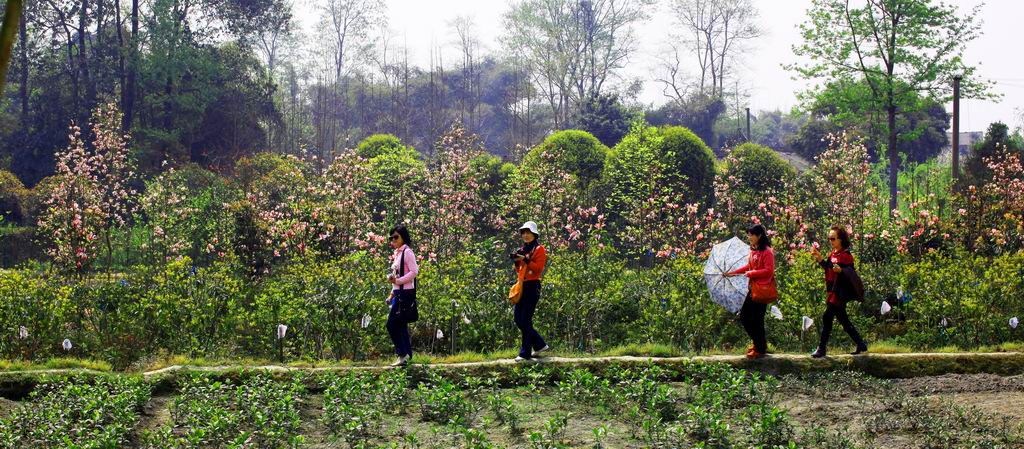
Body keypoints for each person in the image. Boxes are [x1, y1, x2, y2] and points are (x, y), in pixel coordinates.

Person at [810, 225, 868, 358]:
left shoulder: (846, 255)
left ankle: (821, 348)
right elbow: (829, 268)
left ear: (841, 239)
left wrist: (841, 271)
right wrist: (820, 259)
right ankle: (860, 343)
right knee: (843, 320)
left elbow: (850, 273)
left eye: (833, 238)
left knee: (827, 317)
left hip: (839, 292)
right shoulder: (833, 254)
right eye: (829, 238)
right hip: (832, 290)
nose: (831, 241)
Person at [725, 224, 776, 359]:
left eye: (751, 235)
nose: (749, 237)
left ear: (759, 236)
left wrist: (752, 273)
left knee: (756, 319)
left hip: (762, 290)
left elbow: (769, 271)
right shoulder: (754, 251)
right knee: (746, 317)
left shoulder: (767, 252)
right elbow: (749, 266)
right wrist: (733, 273)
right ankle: (759, 344)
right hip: (753, 289)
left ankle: (760, 348)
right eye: (749, 235)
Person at [512, 221, 550, 362]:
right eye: (524, 233)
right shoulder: (523, 249)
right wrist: (517, 261)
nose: (526, 235)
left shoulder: (539, 249)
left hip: (533, 285)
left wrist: (525, 259)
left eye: (528, 233)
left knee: (525, 319)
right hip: (522, 285)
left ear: (535, 234)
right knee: (518, 319)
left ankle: (525, 353)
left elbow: (538, 269)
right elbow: (520, 270)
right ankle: (539, 344)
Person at [386, 225, 419, 367]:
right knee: (400, 324)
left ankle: (402, 354)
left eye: (396, 237)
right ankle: (406, 356)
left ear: (403, 237)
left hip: (406, 293)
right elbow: (397, 276)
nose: (394, 240)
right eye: (392, 237)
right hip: (399, 292)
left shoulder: (408, 252)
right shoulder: (398, 253)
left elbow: (414, 272)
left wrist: (398, 281)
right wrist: (392, 293)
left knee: (392, 324)